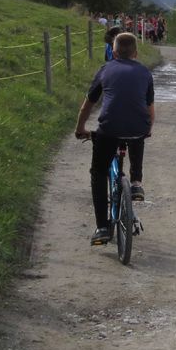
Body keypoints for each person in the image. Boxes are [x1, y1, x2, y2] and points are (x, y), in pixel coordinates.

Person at [75, 32, 155, 245]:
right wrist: (148, 129)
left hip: (109, 130)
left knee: (99, 172)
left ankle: (102, 227)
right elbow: (149, 109)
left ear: (114, 52)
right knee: (138, 133)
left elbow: (88, 105)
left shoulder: (105, 69)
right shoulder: (145, 73)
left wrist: (80, 128)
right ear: (136, 53)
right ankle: (136, 183)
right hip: (137, 129)